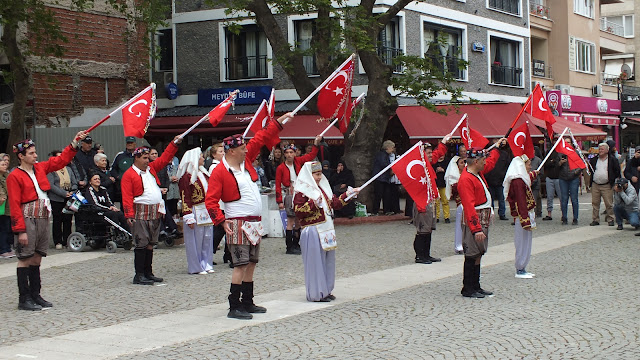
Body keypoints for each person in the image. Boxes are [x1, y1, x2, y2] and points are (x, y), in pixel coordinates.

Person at [205, 112, 291, 320]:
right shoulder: (220, 171)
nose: (246, 150)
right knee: (240, 264)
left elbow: (260, 137)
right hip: (237, 221)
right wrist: (220, 220)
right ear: (231, 150)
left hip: (254, 222)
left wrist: (277, 124)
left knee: (252, 262)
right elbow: (211, 200)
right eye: (242, 148)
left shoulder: (246, 162)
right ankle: (234, 306)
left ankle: (248, 302)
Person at [7, 131, 87, 310]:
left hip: (42, 216)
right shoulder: (15, 176)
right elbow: (14, 204)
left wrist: (74, 142)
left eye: (35, 152)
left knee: (37, 257)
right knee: (25, 257)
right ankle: (24, 298)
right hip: (27, 217)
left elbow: (60, 161)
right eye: (31, 153)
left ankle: (36, 295)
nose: (36, 156)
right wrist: (20, 230)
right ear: (21, 156)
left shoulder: (40, 168)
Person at [293, 161, 359, 302]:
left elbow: (334, 203)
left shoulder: (323, 188)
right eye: (316, 174)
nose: (319, 177)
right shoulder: (301, 191)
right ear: (309, 175)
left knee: (328, 261)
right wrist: (313, 204)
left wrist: (348, 194)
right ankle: (317, 293)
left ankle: (326, 289)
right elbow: (298, 211)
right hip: (312, 229)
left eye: (320, 174)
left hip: (326, 229)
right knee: (315, 263)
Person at [121, 137, 181, 285]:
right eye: (145, 158)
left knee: (150, 243)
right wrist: (129, 214)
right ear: (136, 158)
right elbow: (127, 196)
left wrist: (174, 144)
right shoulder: (129, 175)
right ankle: (139, 274)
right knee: (141, 242)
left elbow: (165, 158)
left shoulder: (151, 169)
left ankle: (148, 272)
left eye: (148, 158)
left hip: (154, 211)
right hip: (139, 211)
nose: (148, 161)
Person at [457, 138, 507, 299]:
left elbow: (491, 162)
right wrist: (476, 228)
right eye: (483, 160)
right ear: (476, 161)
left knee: (478, 252)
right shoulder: (466, 180)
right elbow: (469, 206)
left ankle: (476, 285)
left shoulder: (476, 172)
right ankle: (468, 287)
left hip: (482, 217)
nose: (486, 163)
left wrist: (497, 148)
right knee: (472, 253)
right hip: (476, 219)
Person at [276, 139, 320, 255]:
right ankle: (289, 246)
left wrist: (315, 144)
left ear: (295, 153)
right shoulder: (280, 168)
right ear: (284, 154)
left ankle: (296, 243)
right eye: (287, 153)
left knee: (299, 220)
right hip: (289, 194)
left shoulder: (298, 162)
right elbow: (277, 185)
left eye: (291, 152)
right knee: (290, 220)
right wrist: (279, 201)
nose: (289, 155)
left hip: (299, 194)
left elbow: (311, 156)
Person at [413, 136, 450, 264]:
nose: (431, 155)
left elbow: (436, 154)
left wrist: (444, 143)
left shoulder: (427, 163)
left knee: (428, 229)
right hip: (422, 201)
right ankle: (420, 256)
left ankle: (426, 254)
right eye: (428, 153)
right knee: (422, 230)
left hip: (430, 200)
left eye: (430, 152)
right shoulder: (419, 166)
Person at [177, 148, 215, 275]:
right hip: (195, 209)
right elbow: (185, 196)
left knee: (207, 237)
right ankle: (197, 265)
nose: (203, 159)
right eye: (201, 157)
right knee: (196, 239)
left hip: (206, 209)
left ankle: (207, 262)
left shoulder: (204, 174)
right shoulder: (186, 177)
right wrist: (188, 215)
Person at [504, 155, 539, 279]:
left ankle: (523, 266)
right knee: (522, 242)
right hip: (522, 215)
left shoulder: (520, 179)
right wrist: (525, 220)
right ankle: (520, 267)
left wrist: (534, 174)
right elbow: (520, 201)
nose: (530, 166)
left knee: (526, 241)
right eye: (528, 164)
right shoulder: (518, 181)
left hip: (525, 214)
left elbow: (527, 180)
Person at [46, 150, 79, 250]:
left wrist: (72, 191)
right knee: (57, 219)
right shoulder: (51, 170)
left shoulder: (68, 169)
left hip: (69, 197)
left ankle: (67, 240)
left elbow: (74, 182)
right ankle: (58, 241)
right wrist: (64, 193)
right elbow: (51, 185)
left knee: (68, 219)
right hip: (57, 198)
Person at [207, 142, 229, 266]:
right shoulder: (214, 167)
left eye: (223, 151)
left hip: (224, 203)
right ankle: (210, 252)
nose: (223, 153)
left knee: (225, 230)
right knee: (219, 230)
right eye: (220, 152)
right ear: (214, 155)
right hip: (220, 203)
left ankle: (228, 253)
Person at [589, 142, 620, 226]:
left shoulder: (612, 160)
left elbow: (617, 171)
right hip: (596, 184)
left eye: (602, 149)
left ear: (607, 150)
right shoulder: (594, 159)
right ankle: (595, 219)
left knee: (609, 203)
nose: (600, 151)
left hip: (607, 185)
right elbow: (590, 170)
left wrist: (613, 181)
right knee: (595, 203)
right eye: (599, 149)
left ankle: (610, 219)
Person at [484, 140, 510, 220]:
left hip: (500, 180)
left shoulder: (505, 154)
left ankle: (502, 214)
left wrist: (504, 176)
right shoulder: (489, 154)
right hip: (490, 179)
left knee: (501, 199)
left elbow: (507, 166)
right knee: (490, 199)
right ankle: (490, 214)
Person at [445, 155, 465, 255]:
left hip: (470, 202)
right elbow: (455, 189)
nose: (464, 164)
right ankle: (459, 245)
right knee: (460, 225)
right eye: (461, 163)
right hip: (461, 203)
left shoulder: (467, 173)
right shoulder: (454, 177)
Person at [111, 136, 137, 206]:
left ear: (135, 144)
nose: (129, 144)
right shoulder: (120, 156)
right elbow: (113, 169)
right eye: (128, 143)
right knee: (125, 207)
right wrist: (118, 177)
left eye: (131, 143)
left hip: (136, 187)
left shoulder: (138, 155)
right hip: (123, 188)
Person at [372, 140, 395, 216]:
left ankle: (385, 210)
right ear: (387, 147)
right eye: (392, 148)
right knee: (379, 195)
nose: (393, 150)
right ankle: (375, 211)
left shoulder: (384, 155)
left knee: (386, 195)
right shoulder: (382, 155)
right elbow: (383, 164)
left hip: (384, 178)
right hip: (380, 178)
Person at [558, 150, 581, 225]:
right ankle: (564, 217)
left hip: (573, 178)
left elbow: (581, 164)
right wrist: (560, 163)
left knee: (574, 199)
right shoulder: (560, 153)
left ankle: (575, 218)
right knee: (564, 199)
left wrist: (575, 172)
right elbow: (555, 166)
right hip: (563, 178)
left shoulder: (575, 153)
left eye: (569, 142)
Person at [0, 153, 15, 258]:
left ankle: (8, 247)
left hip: (8, 206)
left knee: (9, 228)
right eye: (3, 162)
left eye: (7, 162)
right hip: (2, 206)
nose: (6, 164)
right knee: (3, 228)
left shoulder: (7, 175)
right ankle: (3, 249)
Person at [543, 149, 561, 221]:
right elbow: (546, 164)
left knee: (561, 196)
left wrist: (553, 162)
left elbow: (558, 165)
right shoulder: (548, 153)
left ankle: (563, 213)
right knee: (549, 196)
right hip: (550, 177)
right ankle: (549, 213)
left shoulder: (560, 153)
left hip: (558, 177)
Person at [433, 153, 450, 223]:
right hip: (435, 184)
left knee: (445, 201)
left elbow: (450, 171)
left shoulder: (447, 161)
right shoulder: (434, 162)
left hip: (444, 184)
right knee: (436, 202)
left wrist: (443, 170)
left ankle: (447, 217)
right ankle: (436, 217)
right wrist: (436, 170)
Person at [530, 147, 543, 218]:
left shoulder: (538, 160)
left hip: (536, 183)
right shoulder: (525, 160)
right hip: (527, 182)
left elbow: (542, 172)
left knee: (536, 198)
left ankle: (536, 212)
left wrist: (536, 177)